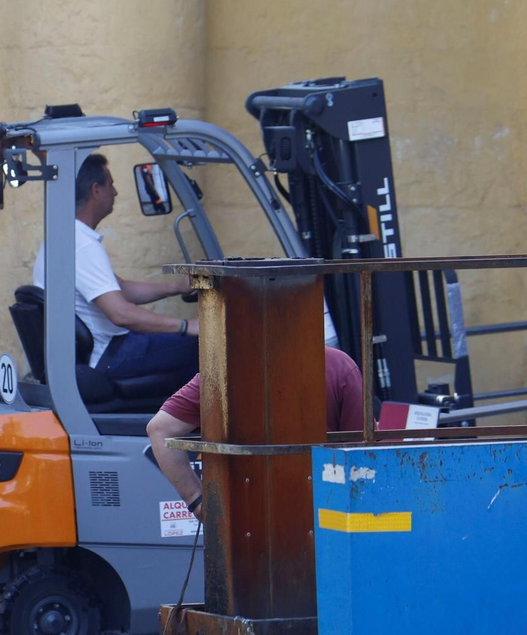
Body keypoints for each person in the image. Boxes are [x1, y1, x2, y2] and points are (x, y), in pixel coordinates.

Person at [33, 153, 198, 382]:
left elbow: (122, 289)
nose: (116, 192)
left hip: (104, 349)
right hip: (110, 354)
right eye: (111, 184)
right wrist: (186, 325)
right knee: (209, 344)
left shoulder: (66, 237)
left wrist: (176, 287)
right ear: (96, 190)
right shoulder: (81, 245)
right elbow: (120, 314)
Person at [146, 346, 366, 518]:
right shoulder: (338, 364)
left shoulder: (226, 368)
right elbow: (365, 453)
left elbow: (160, 429)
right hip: (328, 514)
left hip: (248, 519)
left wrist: (198, 503)